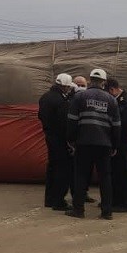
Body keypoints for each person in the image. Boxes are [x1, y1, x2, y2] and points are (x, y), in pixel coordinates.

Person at [66, 68, 120, 220]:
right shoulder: (112, 100)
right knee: (105, 178)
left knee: (81, 176)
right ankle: (107, 212)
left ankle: (78, 210)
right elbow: (116, 125)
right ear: (103, 82)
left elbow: (72, 121)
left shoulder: (80, 97)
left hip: (83, 143)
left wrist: (71, 140)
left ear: (89, 80)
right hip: (104, 145)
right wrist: (115, 145)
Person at [38, 73, 74, 211]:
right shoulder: (61, 101)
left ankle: (50, 199)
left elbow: (41, 116)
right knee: (62, 170)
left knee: (52, 168)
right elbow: (65, 123)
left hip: (50, 136)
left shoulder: (45, 97)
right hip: (60, 139)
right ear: (64, 86)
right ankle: (59, 201)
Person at [106, 78, 127, 212]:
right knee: (115, 173)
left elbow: (125, 125)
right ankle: (114, 200)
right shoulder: (120, 100)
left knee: (122, 174)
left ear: (112, 90)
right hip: (118, 143)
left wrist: (116, 141)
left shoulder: (126, 102)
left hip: (122, 143)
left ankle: (125, 204)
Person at [69, 75, 96, 204]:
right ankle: (76, 196)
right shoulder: (71, 100)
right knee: (76, 170)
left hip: (89, 140)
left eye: (82, 85)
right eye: (77, 85)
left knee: (87, 170)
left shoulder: (90, 100)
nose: (80, 87)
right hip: (77, 141)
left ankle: (83, 193)